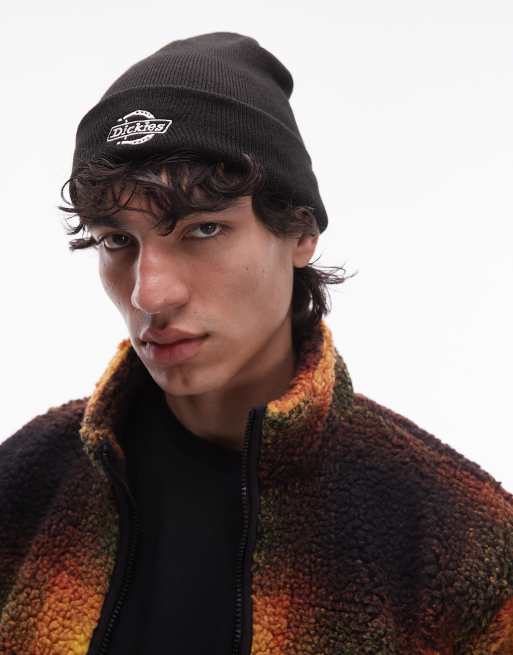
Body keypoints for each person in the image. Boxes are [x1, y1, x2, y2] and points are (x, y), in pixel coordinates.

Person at [1, 31, 513, 655]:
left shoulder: (460, 541)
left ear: (300, 232)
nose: (149, 294)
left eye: (202, 229)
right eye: (117, 241)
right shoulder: (23, 487)